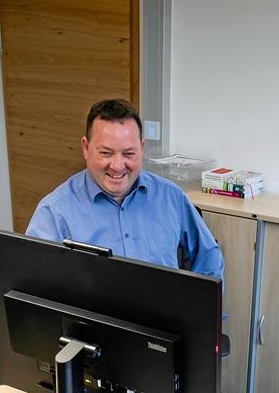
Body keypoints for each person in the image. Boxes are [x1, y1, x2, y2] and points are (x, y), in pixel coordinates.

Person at [25, 99, 224, 279]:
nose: (118, 166)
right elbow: (35, 285)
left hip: (161, 317)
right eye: (106, 153)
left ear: (142, 148)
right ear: (86, 148)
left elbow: (209, 257)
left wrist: (200, 312)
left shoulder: (171, 197)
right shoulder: (55, 212)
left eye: (129, 153)